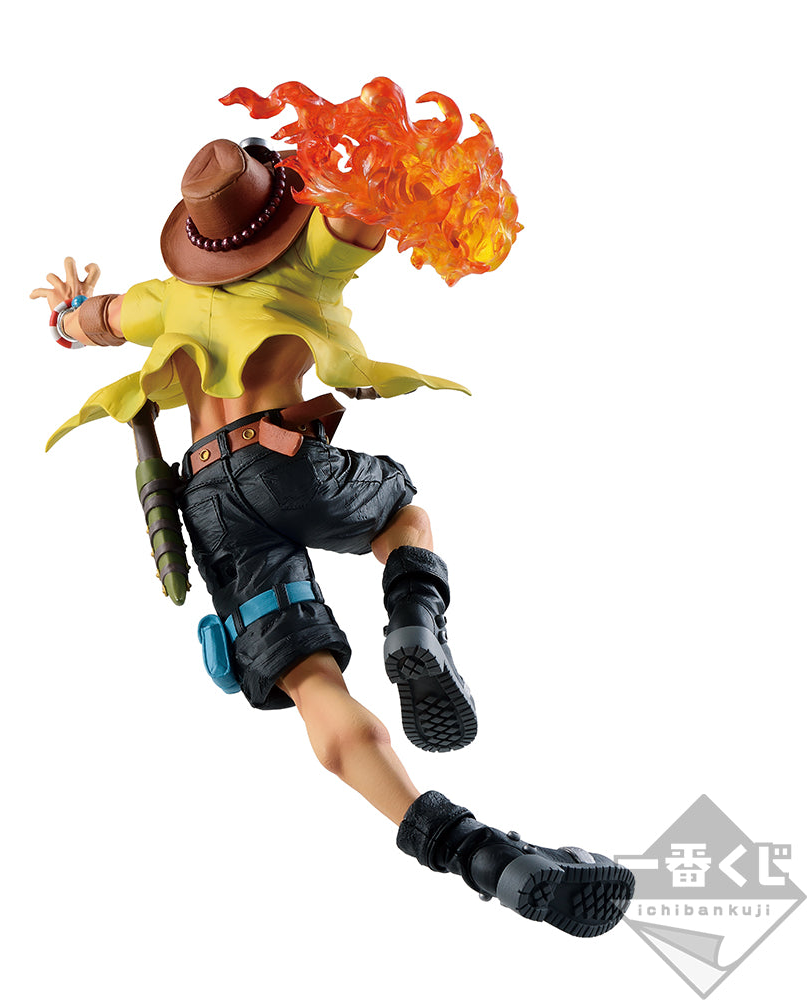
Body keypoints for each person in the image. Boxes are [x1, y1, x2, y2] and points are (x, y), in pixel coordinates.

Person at [32, 138, 635, 937]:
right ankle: (413, 623)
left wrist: (68, 311)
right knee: (403, 515)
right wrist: (384, 162)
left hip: (207, 499)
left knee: (311, 685)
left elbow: (81, 324)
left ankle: (480, 857)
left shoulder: (162, 299)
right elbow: (366, 208)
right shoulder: (307, 255)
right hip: (284, 463)